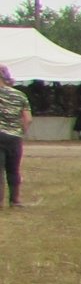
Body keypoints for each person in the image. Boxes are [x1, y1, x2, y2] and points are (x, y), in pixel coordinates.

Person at [0, 64, 32, 208]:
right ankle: (15, 200)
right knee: (13, 169)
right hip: (14, 137)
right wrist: (20, 132)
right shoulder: (20, 95)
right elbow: (28, 119)